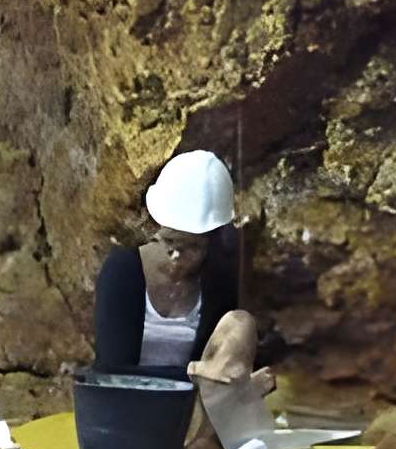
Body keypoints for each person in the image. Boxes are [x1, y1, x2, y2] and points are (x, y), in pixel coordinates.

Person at [92, 148, 267, 388]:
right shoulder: (124, 269)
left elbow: (218, 376)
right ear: (155, 228)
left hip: (192, 411)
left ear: (211, 242)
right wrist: (193, 372)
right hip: (125, 405)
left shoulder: (219, 280)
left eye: (191, 247)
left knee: (241, 323)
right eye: (169, 242)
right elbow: (110, 370)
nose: (176, 255)